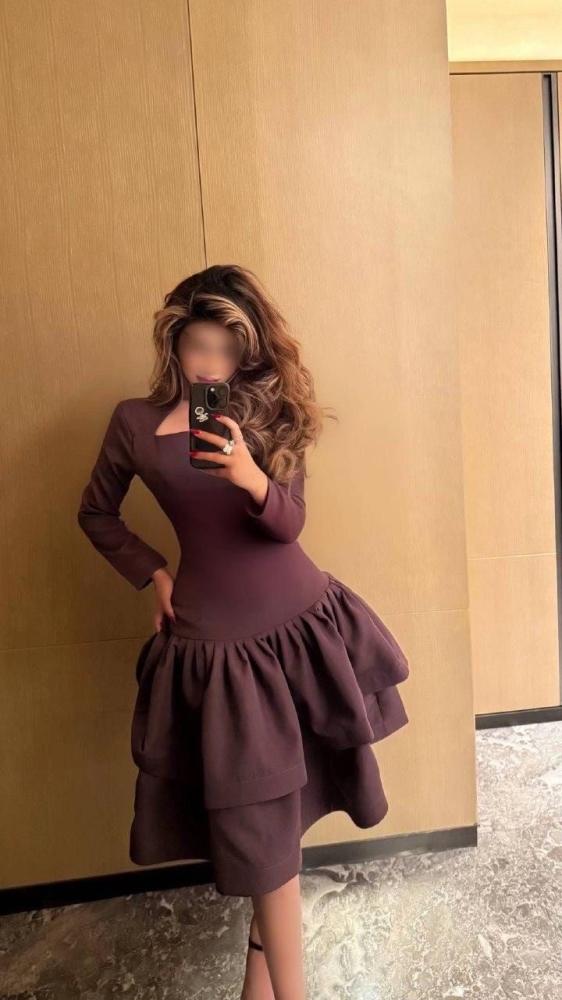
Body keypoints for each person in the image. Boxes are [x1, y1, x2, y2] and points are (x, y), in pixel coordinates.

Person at [77, 263, 409, 1000]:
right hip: (219, 656)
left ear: (249, 351)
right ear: (174, 342)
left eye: (228, 350)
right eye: (199, 346)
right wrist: (153, 573)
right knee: (262, 833)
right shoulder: (134, 423)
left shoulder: (267, 415)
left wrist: (248, 475)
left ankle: (266, 977)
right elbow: (95, 513)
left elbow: (289, 525)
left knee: (282, 824)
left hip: (301, 631)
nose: (211, 365)